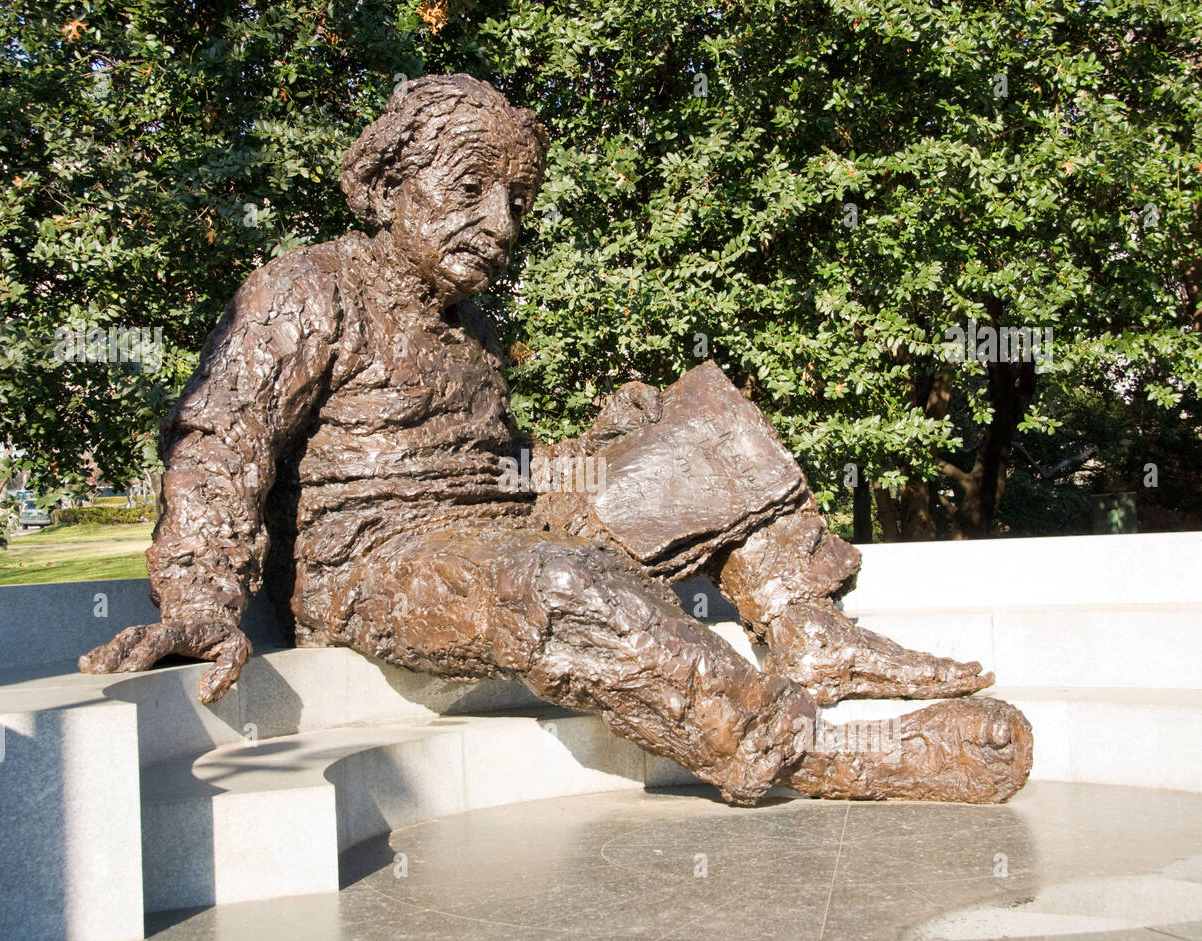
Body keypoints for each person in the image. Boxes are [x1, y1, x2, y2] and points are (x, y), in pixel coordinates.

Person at [81, 75, 1031, 805]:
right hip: (368, 565)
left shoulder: (476, 331)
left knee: (697, 416)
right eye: (469, 190)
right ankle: (806, 752)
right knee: (558, 583)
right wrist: (202, 598)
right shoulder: (303, 287)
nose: (499, 225)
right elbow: (219, 439)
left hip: (501, 522)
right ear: (384, 184)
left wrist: (601, 450)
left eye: (516, 205)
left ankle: (805, 628)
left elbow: (493, 474)